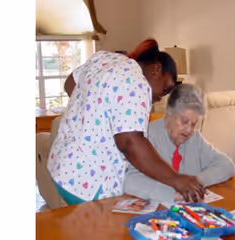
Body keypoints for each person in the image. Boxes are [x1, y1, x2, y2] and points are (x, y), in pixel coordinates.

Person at [47, 39, 205, 206]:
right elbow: (130, 143)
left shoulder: (106, 58)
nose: (160, 97)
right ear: (157, 69)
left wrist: (94, 110)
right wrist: (176, 179)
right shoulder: (137, 82)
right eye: (165, 89)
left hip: (62, 166)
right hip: (86, 182)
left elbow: (69, 84)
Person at [123, 84, 235, 203]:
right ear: (169, 113)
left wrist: (194, 183)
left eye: (193, 124)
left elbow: (227, 165)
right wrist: (172, 194)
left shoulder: (195, 138)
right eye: (184, 121)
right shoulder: (146, 137)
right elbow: (130, 181)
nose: (189, 130)